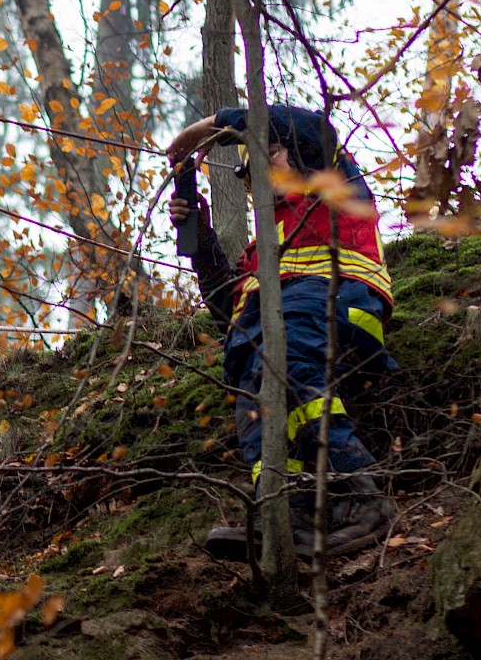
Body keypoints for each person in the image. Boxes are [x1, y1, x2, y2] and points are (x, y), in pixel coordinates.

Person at [167, 105, 397, 560]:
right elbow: (223, 307)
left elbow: (306, 126)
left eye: (271, 150)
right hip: (278, 327)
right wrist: (200, 233)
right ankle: (290, 519)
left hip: (336, 304)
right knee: (255, 400)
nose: (267, 165)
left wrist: (213, 126)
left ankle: (363, 496)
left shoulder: (334, 186)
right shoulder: (263, 249)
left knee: (284, 363)